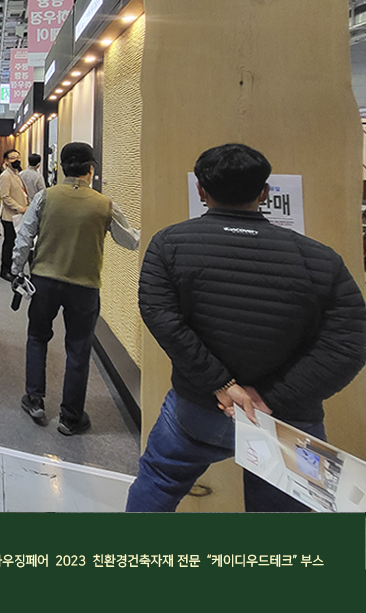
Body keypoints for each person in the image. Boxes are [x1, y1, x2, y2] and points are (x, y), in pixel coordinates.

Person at [126, 143, 366, 512]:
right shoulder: (320, 259)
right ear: (264, 193)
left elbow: (161, 317)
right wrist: (270, 399)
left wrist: (223, 385)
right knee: (282, 514)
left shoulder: (169, 245)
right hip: (289, 419)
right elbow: (349, 343)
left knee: (159, 479)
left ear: (201, 190)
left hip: (199, 407)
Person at [11, 142, 140, 435]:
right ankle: (70, 417)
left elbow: (24, 237)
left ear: (62, 167)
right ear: (90, 169)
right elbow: (130, 241)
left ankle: (34, 399)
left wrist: (17, 271)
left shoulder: (45, 197)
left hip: (44, 281)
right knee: (79, 349)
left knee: (37, 337)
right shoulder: (104, 204)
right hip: (84, 287)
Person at [0, 149, 28, 282]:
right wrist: (20, 208)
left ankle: (14, 269)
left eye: (18, 157)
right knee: (9, 243)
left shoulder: (17, 174)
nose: (16, 160)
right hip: (10, 216)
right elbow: (5, 197)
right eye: (12, 158)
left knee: (16, 244)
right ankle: (5, 270)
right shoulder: (5, 176)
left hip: (19, 216)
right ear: (6, 161)